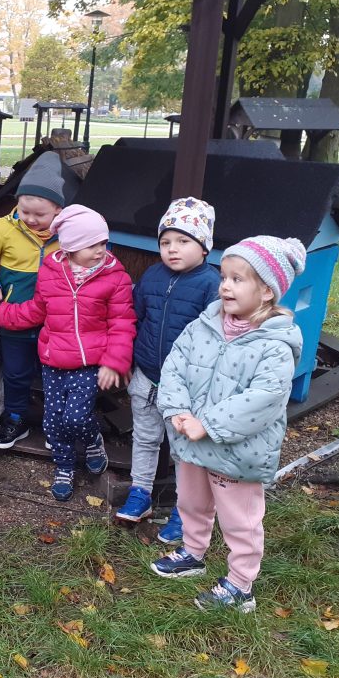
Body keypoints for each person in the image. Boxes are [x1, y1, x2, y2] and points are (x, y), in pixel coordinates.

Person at [151, 236, 304, 613]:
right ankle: (193, 552)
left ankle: (240, 585)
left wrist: (207, 423)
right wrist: (177, 409)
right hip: (191, 439)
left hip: (237, 452)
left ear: (266, 291)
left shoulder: (275, 344)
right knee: (191, 501)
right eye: (223, 277)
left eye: (237, 279)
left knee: (241, 519)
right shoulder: (204, 325)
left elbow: (264, 398)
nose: (225, 286)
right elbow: (174, 366)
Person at [0, 205, 135, 501]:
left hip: (89, 363)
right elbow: (37, 310)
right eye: (91, 245)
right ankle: (64, 467)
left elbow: (122, 323)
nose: (100, 250)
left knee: (76, 417)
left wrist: (114, 362)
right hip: (53, 360)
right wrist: (3, 313)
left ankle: (93, 440)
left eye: (103, 242)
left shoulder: (115, 277)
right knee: (53, 421)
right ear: (70, 247)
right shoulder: (51, 273)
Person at [115, 198, 220, 544]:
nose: (172, 249)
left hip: (185, 387)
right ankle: (140, 493)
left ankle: (185, 509)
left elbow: (214, 340)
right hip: (146, 375)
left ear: (204, 246)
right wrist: (129, 360)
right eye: (165, 242)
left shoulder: (211, 284)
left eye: (183, 241)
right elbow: (137, 318)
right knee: (145, 438)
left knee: (184, 451)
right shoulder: (153, 275)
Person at [0, 152, 65, 448]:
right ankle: (15, 418)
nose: (31, 219)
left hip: (56, 321)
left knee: (56, 375)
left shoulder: (69, 233)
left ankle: (56, 424)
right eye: (25, 211)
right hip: (13, 316)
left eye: (40, 215)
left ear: (58, 209)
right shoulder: (5, 228)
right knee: (15, 372)